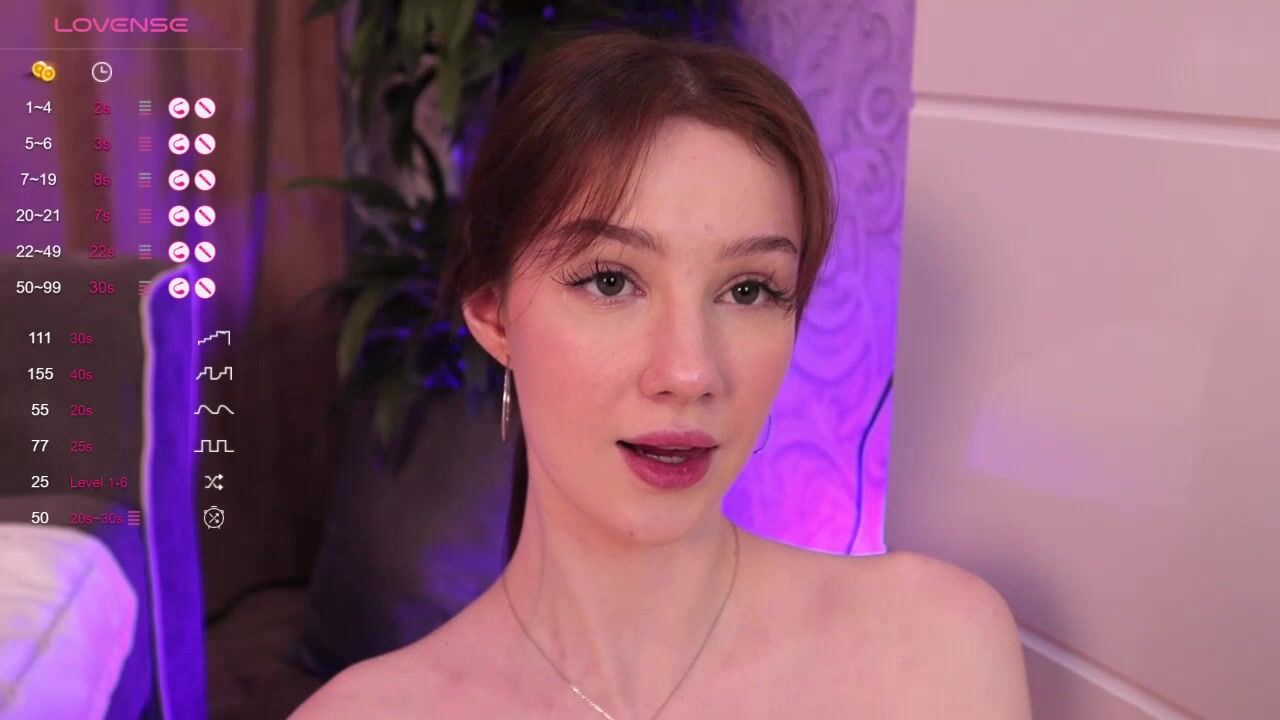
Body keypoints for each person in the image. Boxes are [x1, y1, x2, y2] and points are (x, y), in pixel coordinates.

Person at [293, 28, 1031, 719]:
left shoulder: (935, 645)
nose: (690, 371)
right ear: (494, 316)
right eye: (611, 281)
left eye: (749, 290)